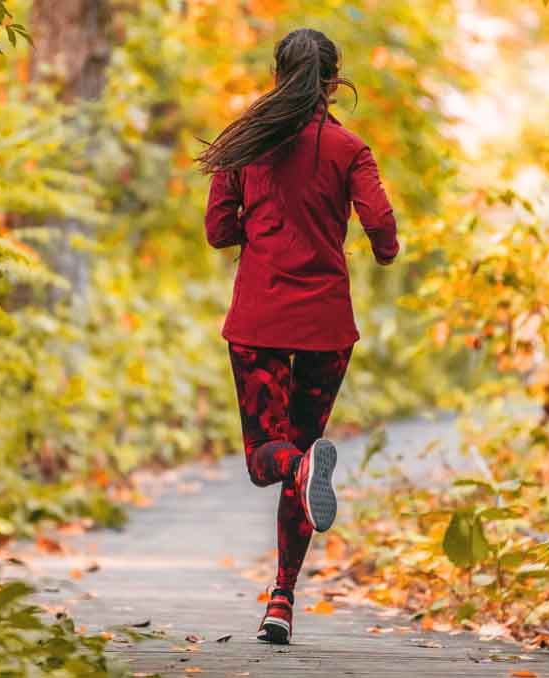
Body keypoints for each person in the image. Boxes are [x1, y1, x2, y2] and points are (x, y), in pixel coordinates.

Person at [198, 27, 399, 645]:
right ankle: (281, 599)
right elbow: (382, 228)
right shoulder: (349, 147)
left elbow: (216, 230)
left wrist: (256, 233)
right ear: (333, 81)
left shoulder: (246, 145)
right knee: (303, 460)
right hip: (325, 324)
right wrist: (380, 249)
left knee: (269, 459)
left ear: (277, 73)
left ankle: (302, 464)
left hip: (259, 320)